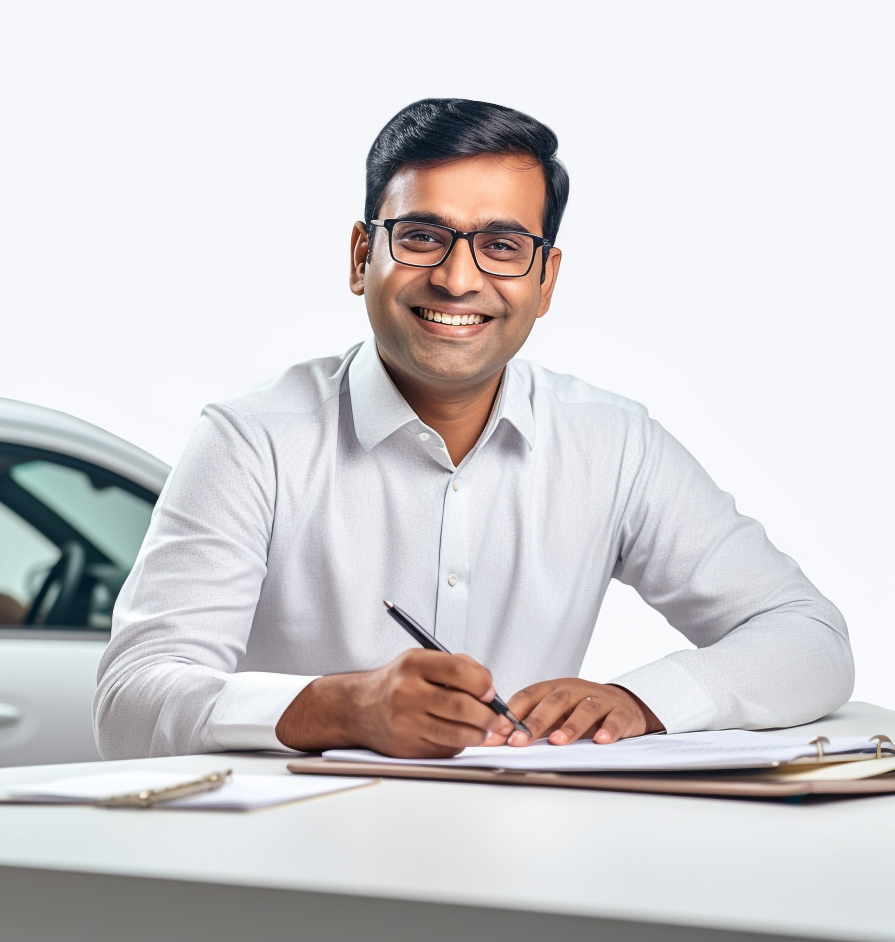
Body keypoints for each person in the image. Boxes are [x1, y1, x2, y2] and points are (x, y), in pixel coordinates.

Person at [94, 98, 853, 761]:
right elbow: (130, 701)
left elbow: (808, 638)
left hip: (520, 869)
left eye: (502, 246)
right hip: (293, 865)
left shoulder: (613, 444)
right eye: (423, 236)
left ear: (546, 279)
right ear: (364, 257)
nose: (459, 279)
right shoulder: (252, 438)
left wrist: (647, 699)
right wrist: (344, 707)